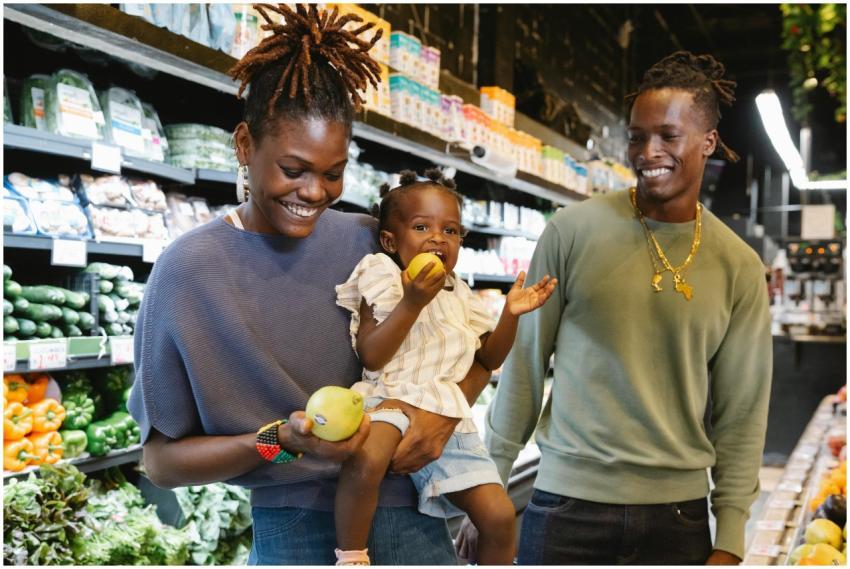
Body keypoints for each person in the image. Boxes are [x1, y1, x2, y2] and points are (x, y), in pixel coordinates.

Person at [127, 4, 492, 565]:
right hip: (293, 523)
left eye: (332, 172)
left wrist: (443, 417)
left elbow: (460, 347)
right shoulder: (189, 271)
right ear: (246, 146)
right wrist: (277, 443)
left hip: (412, 510)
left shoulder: (376, 239)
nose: (315, 193)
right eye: (293, 170)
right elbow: (162, 464)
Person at [460, 51, 773, 565]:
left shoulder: (738, 266)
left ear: (708, 142)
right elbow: (523, 368)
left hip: (679, 519)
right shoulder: (570, 232)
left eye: (668, 136)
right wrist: (486, 489)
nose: (648, 151)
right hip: (564, 509)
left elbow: (742, 413)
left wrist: (731, 537)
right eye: (636, 135)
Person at [331, 169, 557, 565]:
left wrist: (511, 315)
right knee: (366, 459)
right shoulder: (381, 273)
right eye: (422, 226)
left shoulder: (460, 291)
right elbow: (372, 355)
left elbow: (488, 359)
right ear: (390, 240)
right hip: (391, 400)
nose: (438, 237)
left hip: (448, 413)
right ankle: (351, 555)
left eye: (451, 231)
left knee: (500, 515)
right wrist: (412, 301)